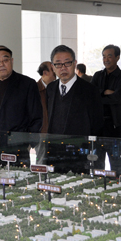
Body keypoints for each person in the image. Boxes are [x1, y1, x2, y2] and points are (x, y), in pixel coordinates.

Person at [0, 45, 42, 165]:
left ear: (11, 61)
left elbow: (36, 117)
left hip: (15, 147)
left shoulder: (27, 84)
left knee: (16, 177)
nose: (1, 64)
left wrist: (29, 143)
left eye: (5, 60)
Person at [46, 45, 103, 173]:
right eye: (58, 64)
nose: (63, 68)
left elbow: (97, 124)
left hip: (80, 154)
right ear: (52, 67)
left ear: (75, 63)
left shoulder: (90, 90)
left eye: (67, 63)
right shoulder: (50, 88)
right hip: (54, 152)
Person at [91, 45, 121, 177]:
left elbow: (117, 98)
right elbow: (91, 96)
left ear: (117, 57)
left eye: (109, 56)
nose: (106, 59)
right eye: (104, 56)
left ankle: (119, 183)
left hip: (114, 125)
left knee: (115, 159)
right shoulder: (97, 75)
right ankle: (97, 183)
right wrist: (105, 92)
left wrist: (99, 96)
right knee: (97, 159)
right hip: (98, 126)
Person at [36, 61, 56, 134]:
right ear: (45, 73)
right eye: (53, 70)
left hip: (55, 133)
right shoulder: (34, 90)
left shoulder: (57, 88)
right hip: (40, 133)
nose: (56, 72)